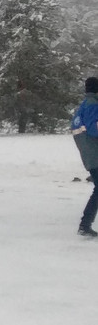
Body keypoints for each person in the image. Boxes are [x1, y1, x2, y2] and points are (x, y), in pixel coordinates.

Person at [70, 76, 98, 237]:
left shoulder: (85, 104)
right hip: (93, 153)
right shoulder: (93, 104)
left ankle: (85, 225)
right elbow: (94, 128)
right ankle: (85, 225)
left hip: (89, 153)